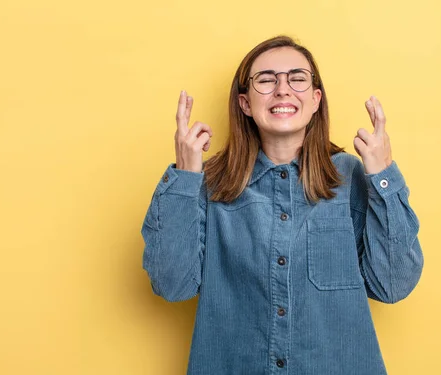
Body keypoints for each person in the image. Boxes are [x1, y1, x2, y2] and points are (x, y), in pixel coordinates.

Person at [141, 35, 423, 375]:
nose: (283, 89)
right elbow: (172, 285)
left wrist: (383, 175)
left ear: (316, 99)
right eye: (266, 80)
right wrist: (186, 177)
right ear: (245, 103)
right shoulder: (208, 183)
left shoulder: (353, 178)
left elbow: (392, 285)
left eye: (297, 78)